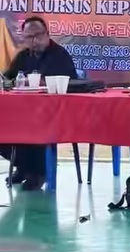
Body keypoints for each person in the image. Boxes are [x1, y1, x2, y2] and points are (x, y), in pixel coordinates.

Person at [0, 16, 77, 190]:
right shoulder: (23, 56)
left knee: (33, 127)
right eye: (29, 37)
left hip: (53, 114)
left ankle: (38, 173)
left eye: (38, 35)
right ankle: (24, 166)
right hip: (22, 111)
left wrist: (44, 82)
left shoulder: (60, 55)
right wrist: (12, 81)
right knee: (4, 127)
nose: (34, 41)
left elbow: (72, 83)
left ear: (47, 34)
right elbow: (7, 79)